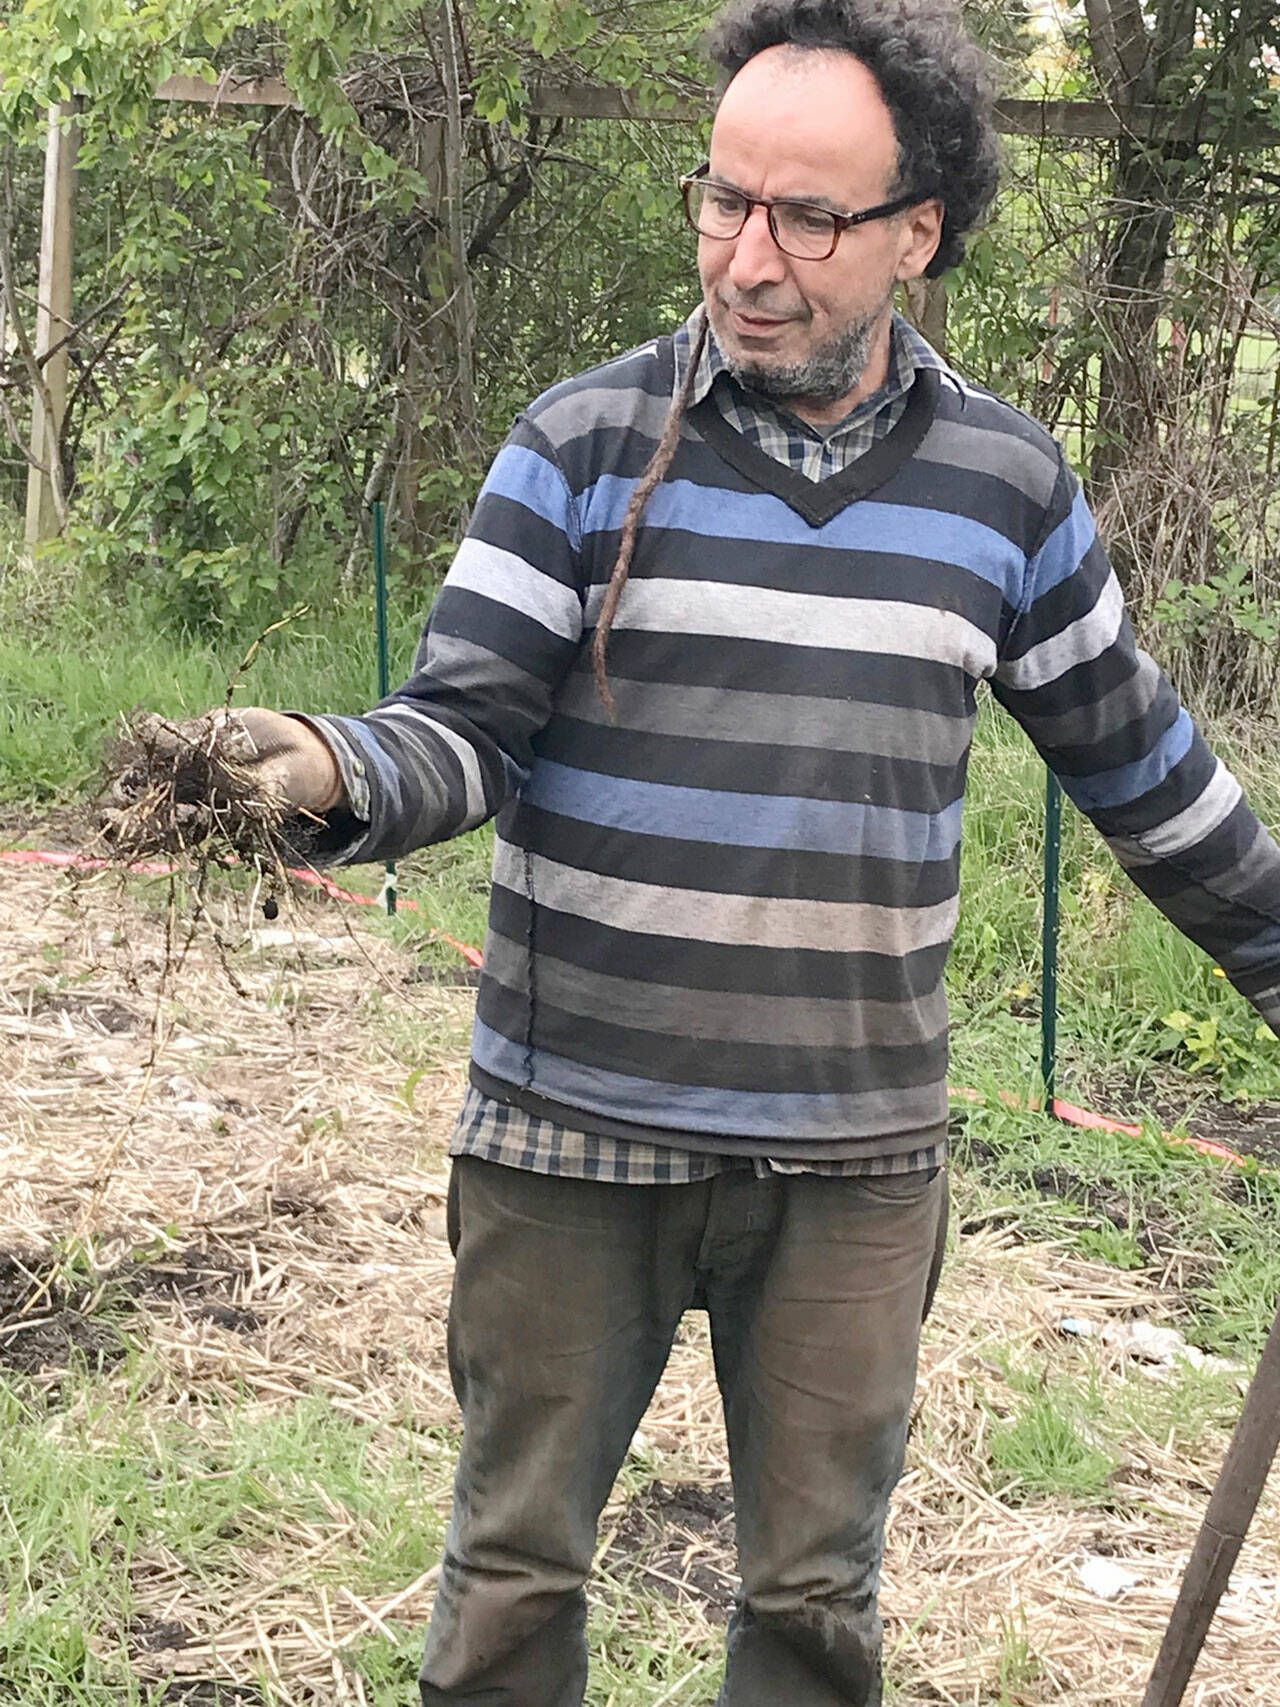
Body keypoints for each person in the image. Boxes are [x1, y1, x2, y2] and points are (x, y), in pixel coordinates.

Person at [190, 1, 1280, 1700]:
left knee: (812, 1609)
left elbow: (1147, 774)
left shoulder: (1002, 489)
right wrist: (325, 766)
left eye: (807, 217)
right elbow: (464, 724)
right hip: (568, 1139)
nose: (748, 259)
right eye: (723, 201)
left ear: (918, 234)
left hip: (850, 1169)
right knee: (512, 1579)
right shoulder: (580, 444)